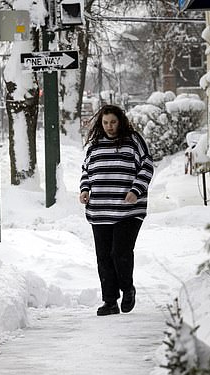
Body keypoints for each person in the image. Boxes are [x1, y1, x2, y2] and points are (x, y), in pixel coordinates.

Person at [79, 105, 154, 316]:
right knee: (103, 257)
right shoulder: (94, 146)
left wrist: (136, 190)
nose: (109, 127)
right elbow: (86, 170)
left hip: (129, 210)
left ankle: (127, 289)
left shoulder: (133, 141)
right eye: (105, 123)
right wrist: (85, 189)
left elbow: (147, 166)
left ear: (120, 121)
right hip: (100, 210)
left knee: (119, 253)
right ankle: (110, 301)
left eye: (113, 122)